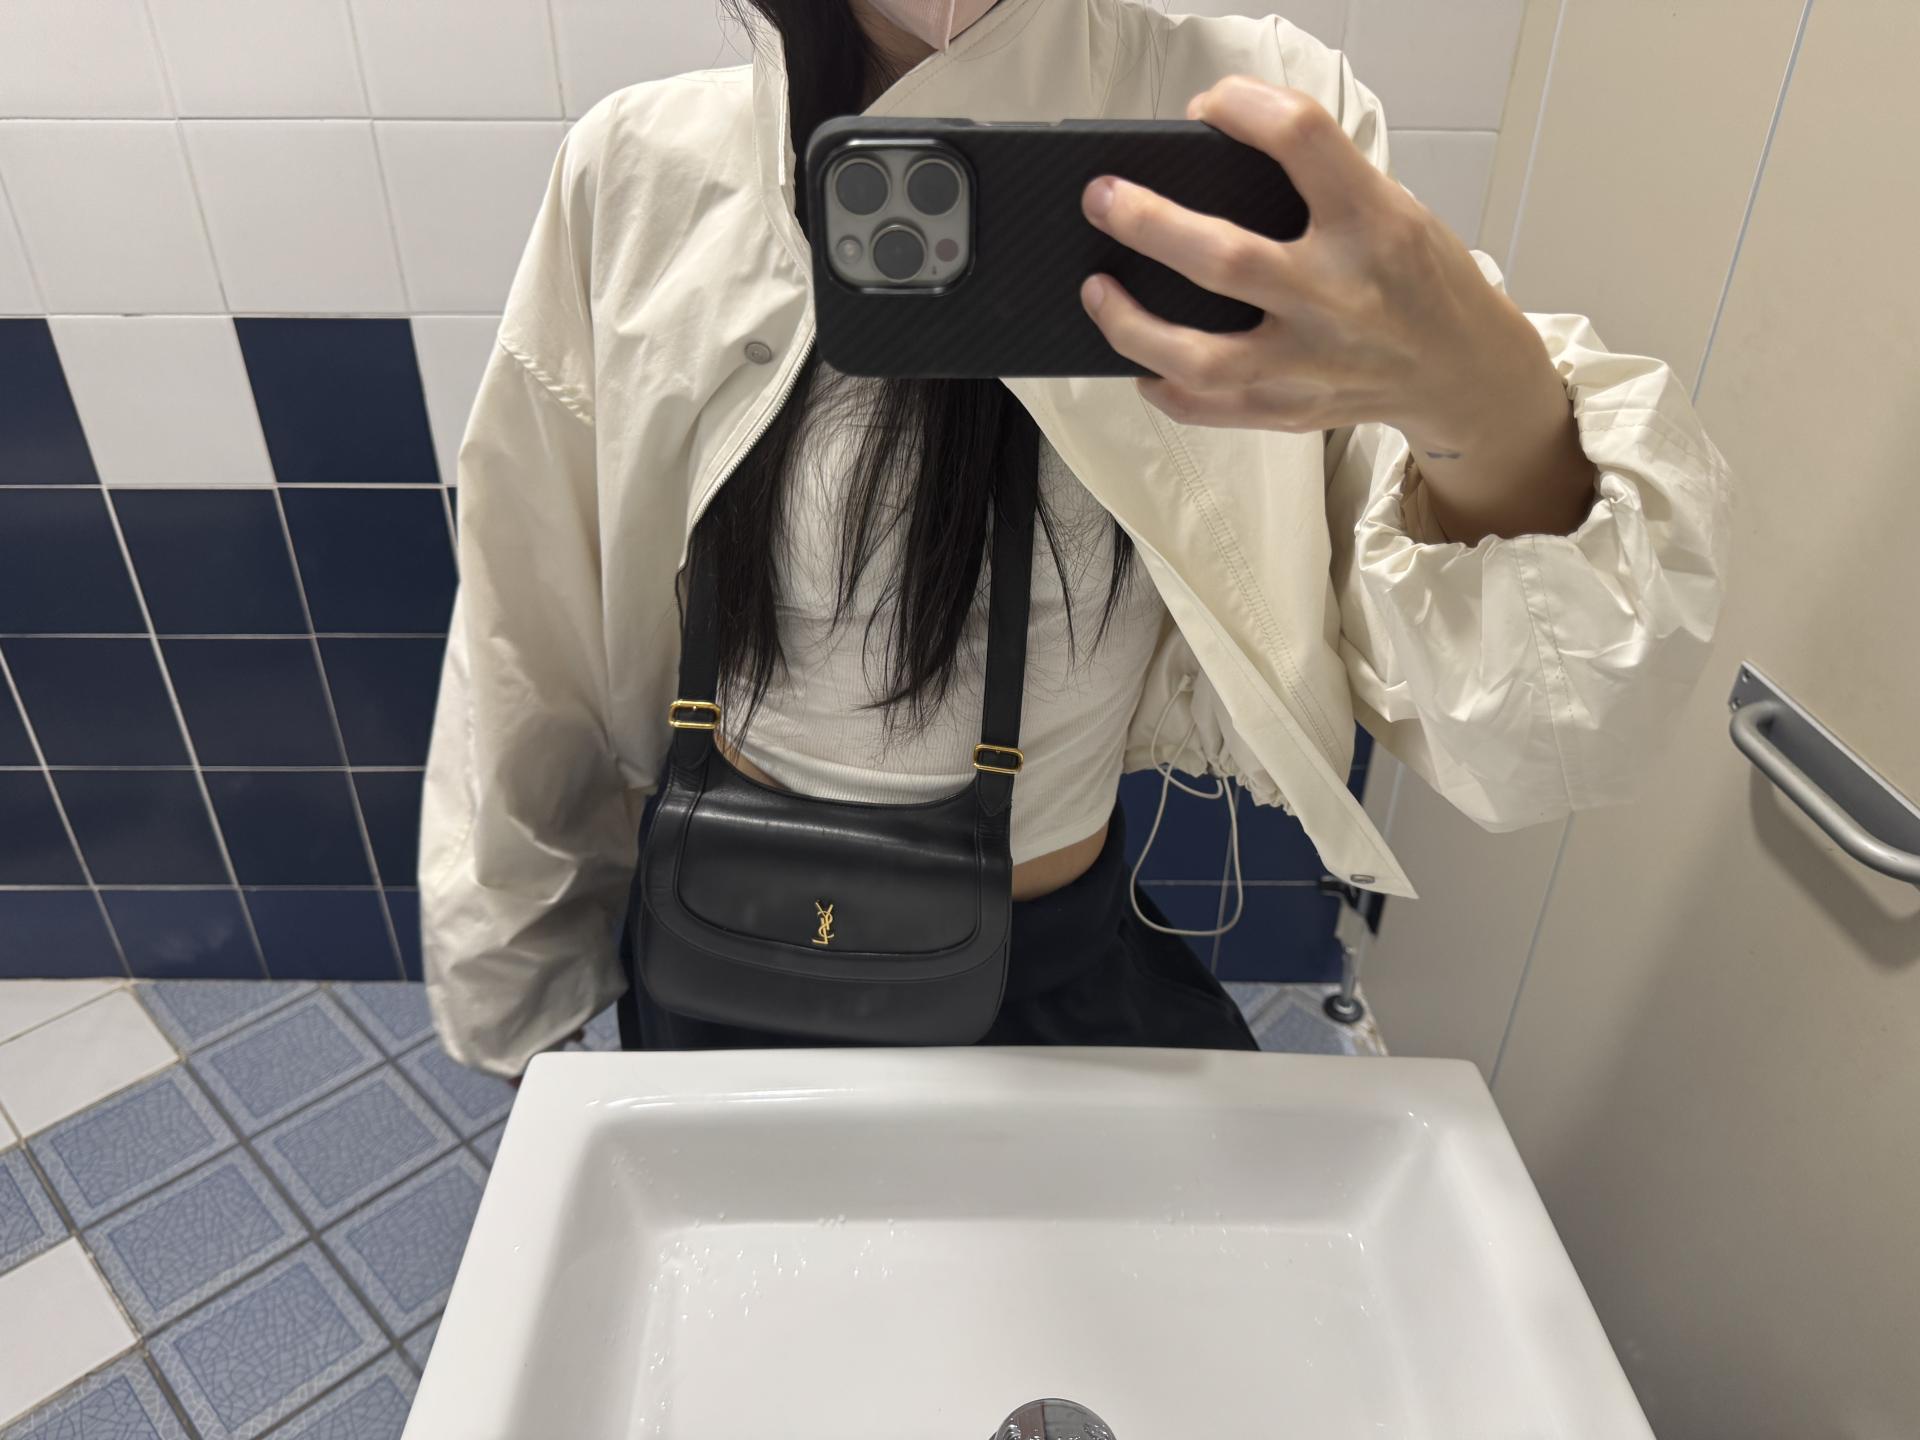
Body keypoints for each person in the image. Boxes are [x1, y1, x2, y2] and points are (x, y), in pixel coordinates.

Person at [419, 0, 1731, 1077]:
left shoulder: (1253, 124)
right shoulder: (641, 168)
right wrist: (518, 990)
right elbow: (529, 624)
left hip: (1049, 976)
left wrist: (1482, 399)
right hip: (718, 941)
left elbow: (1542, 729)